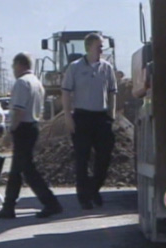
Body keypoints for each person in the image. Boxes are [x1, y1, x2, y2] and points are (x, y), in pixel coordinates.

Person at [0, 53, 63, 219]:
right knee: (21, 169)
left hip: (23, 128)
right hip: (32, 126)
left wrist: (12, 130)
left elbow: (19, 110)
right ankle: (10, 205)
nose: (13, 70)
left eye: (13, 67)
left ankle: (49, 203)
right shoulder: (37, 83)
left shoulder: (22, 83)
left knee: (23, 170)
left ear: (19, 65)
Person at [61, 33, 117, 210]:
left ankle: (94, 189)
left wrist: (112, 116)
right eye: (98, 46)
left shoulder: (107, 68)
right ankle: (84, 197)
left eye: (102, 46)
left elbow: (112, 92)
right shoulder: (75, 67)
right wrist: (68, 116)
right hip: (82, 117)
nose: (101, 49)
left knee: (104, 158)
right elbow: (66, 93)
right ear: (89, 47)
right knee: (82, 159)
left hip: (101, 118)